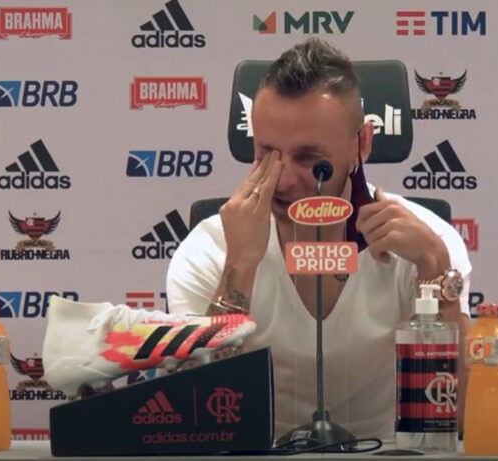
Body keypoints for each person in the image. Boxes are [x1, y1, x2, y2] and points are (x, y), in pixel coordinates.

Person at [166, 37, 472, 442]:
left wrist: (435, 267)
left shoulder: (427, 243)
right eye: (267, 154)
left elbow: (462, 417)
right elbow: (193, 418)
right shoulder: (210, 249)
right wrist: (239, 267)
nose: (283, 179)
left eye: (309, 159)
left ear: (361, 143)